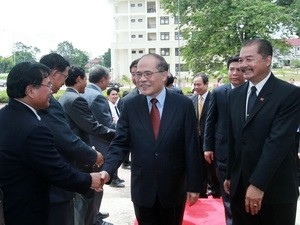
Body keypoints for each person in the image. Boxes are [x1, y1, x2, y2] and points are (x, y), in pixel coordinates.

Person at [100, 53, 202, 225]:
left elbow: (191, 146)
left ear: (164, 75)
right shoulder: (130, 105)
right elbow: (120, 143)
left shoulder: (183, 105)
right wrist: (107, 170)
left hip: (173, 187)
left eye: (148, 73)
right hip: (143, 188)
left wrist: (194, 184)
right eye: (138, 74)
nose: (141, 79)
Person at [0, 62, 103, 225]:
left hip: (12, 205)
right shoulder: (34, 128)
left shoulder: (6, 114)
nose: (52, 90)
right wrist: (89, 179)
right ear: (30, 90)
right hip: (30, 210)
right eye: (47, 85)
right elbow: (56, 170)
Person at [224, 39, 300, 225]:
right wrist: (229, 175)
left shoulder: (289, 94)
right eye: (241, 60)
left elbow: (278, 143)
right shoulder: (235, 95)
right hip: (240, 188)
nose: (243, 65)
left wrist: (258, 184)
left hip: (275, 190)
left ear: (267, 60)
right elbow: (233, 138)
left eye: (249, 59)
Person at [38, 53, 103, 225]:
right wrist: (93, 155)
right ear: (54, 73)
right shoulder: (47, 103)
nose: (62, 82)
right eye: (64, 77)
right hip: (55, 188)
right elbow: (65, 138)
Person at [58, 66, 115, 225]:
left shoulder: (64, 97)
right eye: (85, 79)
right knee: (84, 204)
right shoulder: (76, 99)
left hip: (75, 157)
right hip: (80, 159)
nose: (86, 83)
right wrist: (119, 134)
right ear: (78, 80)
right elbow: (93, 127)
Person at [203, 55, 245, 225]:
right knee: (226, 192)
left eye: (239, 70)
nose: (235, 73)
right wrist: (207, 146)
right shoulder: (219, 92)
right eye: (231, 69)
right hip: (222, 150)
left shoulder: (252, 92)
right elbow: (210, 121)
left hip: (245, 151)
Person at [190, 73, 220, 198]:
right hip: (196, 140)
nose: (196, 87)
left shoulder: (214, 98)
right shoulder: (191, 100)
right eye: (195, 84)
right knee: (199, 167)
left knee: (212, 167)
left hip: (210, 140)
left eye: (199, 84)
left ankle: (216, 190)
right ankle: (202, 191)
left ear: (206, 84)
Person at [118, 58, 140, 170]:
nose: (136, 78)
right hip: (140, 162)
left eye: (139, 73)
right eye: (133, 74)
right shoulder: (127, 101)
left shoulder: (176, 100)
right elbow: (122, 136)